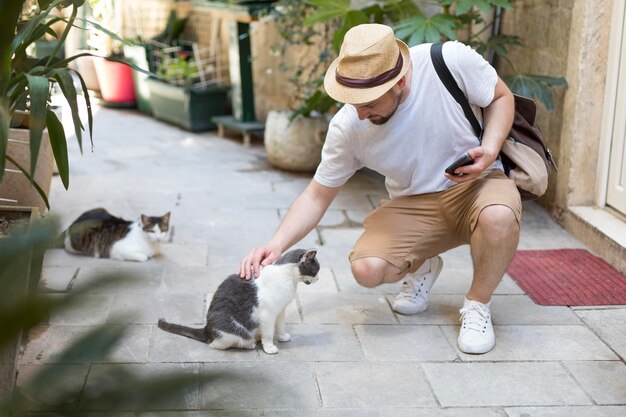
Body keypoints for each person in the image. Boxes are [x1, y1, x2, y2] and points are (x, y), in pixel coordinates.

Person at [240, 23, 520, 354]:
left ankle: (477, 306)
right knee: (367, 269)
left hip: (478, 185)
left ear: (400, 82)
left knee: (499, 217)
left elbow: (501, 97)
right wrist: (275, 245)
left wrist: (490, 146)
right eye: (351, 101)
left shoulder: (450, 61)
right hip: (413, 204)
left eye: (368, 102)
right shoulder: (348, 126)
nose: (359, 113)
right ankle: (424, 264)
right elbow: (317, 195)